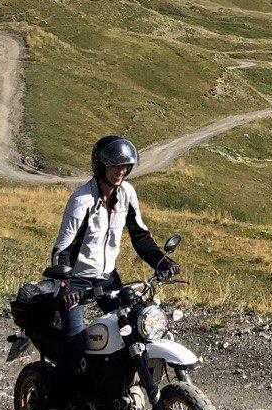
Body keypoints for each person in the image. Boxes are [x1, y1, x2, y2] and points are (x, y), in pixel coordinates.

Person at [48, 135, 178, 394]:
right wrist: (65, 286)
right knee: (75, 345)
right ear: (100, 166)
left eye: (125, 166)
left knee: (135, 327)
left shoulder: (127, 193)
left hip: (107, 277)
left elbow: (140, 235)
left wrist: (162, 261)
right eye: (114, 165)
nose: (120, 171)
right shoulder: (81, 201)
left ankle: (113, 389)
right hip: (77, 281)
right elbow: (61, 250)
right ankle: (55, 401)